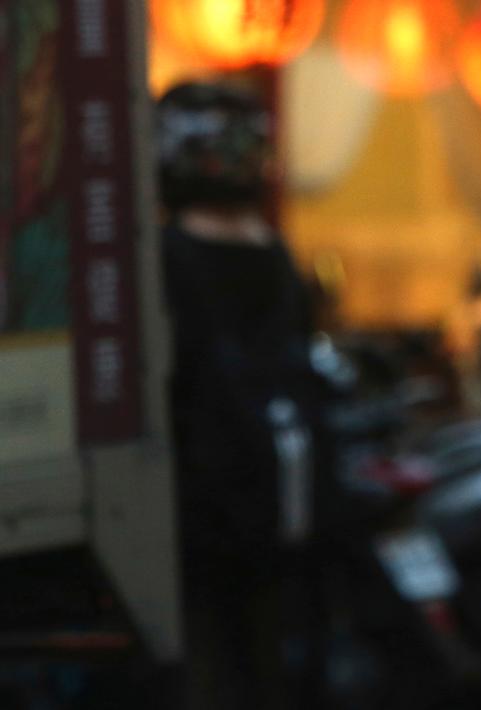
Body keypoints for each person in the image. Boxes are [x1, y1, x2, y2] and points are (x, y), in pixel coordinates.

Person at [157, 82, 326, 710]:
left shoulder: (171, 253)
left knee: (218, 657)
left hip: (207, 490)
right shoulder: (271, 250)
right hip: (283, 485)